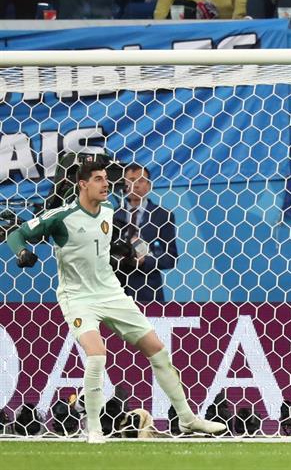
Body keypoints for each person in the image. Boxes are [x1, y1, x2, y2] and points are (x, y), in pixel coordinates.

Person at [5, 161, 225, 443]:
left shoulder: (109, 211)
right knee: (97, 354)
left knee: (157, 350)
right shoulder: (62, 216)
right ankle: (94, 428)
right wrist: (21, 252)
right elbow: (17, 233)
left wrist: (125, 254)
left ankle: (186, 418)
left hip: (111, 292)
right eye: (98, 179)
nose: (106, 184)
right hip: (78, 297)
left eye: (107, 179)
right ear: (83, 184)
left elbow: (112, 245)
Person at [114, 164, 177, 304]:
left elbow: (171, 257)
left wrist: (145, 261)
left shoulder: (162, 215)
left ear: (148, 186)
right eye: (130, 180)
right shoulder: (111, 215)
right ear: (124, 184)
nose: (135, 185)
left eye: (141, 180)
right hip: (116, 290)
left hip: (148, 291)